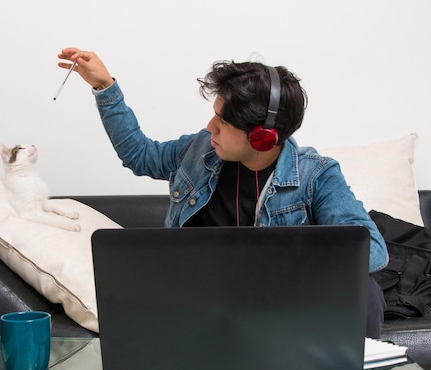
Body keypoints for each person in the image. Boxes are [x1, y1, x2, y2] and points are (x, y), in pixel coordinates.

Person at [57, 47, 388, 338]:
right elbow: (139, 155)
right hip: (195, 297)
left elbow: (372, 250)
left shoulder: (317, 175)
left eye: (223, 121)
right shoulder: (201, 148)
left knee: (368, 292)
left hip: (275, 304)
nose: (210, 127)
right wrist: (104, 87)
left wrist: (286, 264)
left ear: (262, 138)